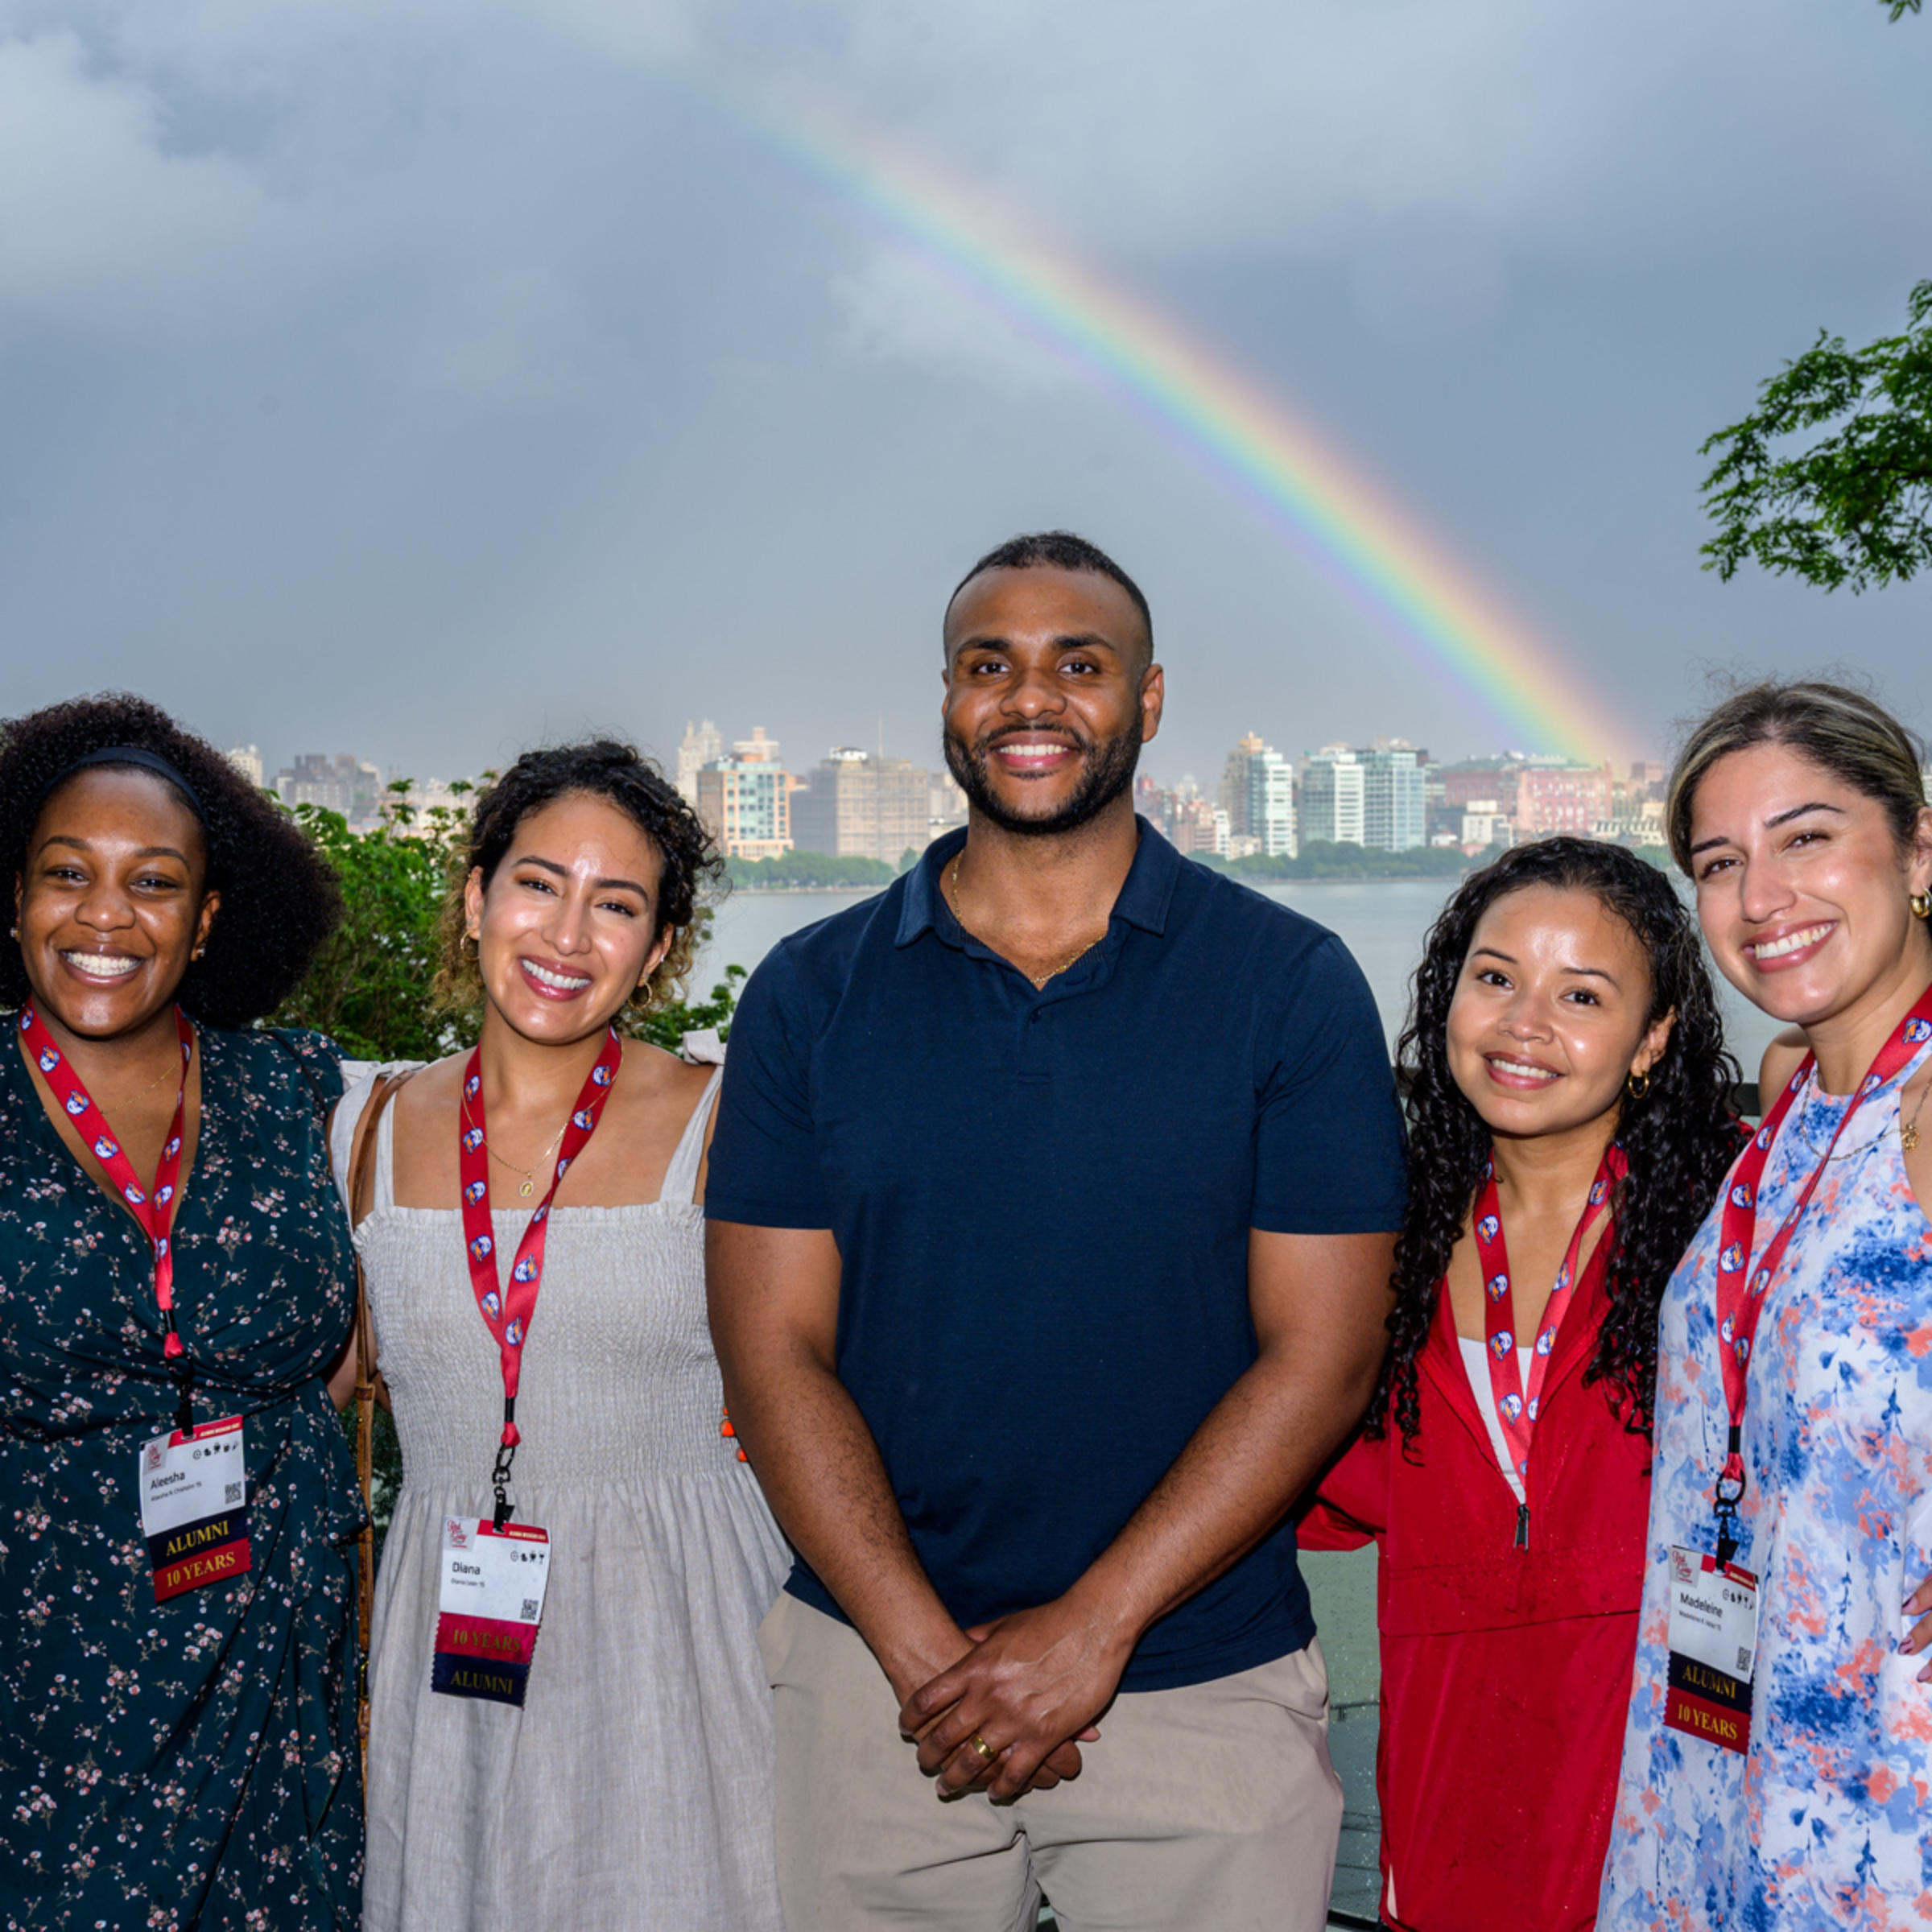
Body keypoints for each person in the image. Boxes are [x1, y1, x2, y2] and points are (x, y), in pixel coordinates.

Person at [705, 530, 1408, 1932]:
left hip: (1198, 1684)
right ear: (948, 702)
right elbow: (771, 1350)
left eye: (1078, 665)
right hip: (876, 1689)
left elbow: (1323, 1357)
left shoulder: (1290, 984)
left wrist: (1092, 1630)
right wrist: (921, 1654)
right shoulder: (809, 991)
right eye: (991, 666)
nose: (1032, 700)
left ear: (1147, 703)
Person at [329, 741, 787, 1932]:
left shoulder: (732, 1117)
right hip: (458, 1644)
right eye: (539, 883)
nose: (567, 935)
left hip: (687, 1636)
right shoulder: (358, 1131)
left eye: (616, 904)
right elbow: (311, 1395)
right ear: (478, 896)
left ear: (659, 950)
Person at [1298, 838, 1743, 1930]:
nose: (1524, 1025)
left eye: (1582, 995)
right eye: (1495, 978)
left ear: (1652, 1039)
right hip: (1455, 1784)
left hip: (1681, 1769)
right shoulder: (1372, 1240)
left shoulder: (1740, 1214)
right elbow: (1308, 1468)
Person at [0, 695, 362, 1931]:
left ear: (207, 921)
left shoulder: (296, 1089)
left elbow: (348, 1360)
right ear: (14, 898)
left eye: (153, 882)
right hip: (43, 1702)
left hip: (275, 1687)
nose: (106, 916)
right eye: (67, 873)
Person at [1600, 680, 1932, 1926]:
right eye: (1722, 860)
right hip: (1727, 1724)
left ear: (1918, 845)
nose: (1762, 900)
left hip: (1882, 1775)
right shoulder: (1799, 1084)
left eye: (1808, 839)